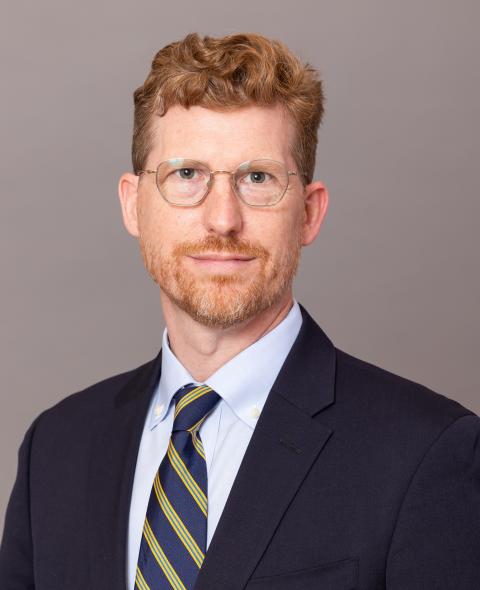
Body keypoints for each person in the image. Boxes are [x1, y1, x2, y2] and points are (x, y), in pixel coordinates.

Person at [1, 32, 479, 590]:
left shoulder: (427, 453)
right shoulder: (56, 448)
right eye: (186, 175)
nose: (223, 219)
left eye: (258, 178)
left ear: (309, 213)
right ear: (133, 204)